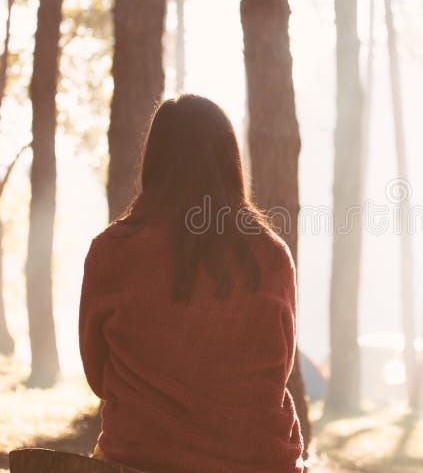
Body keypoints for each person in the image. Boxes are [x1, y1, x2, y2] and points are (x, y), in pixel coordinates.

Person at [79, 95, 303, 472]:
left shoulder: (111, 251)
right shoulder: (272, 256)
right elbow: (278, 367)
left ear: (154, 161)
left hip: (137, 459)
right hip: (259, 462)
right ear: (230, 161)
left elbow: (97, 376)